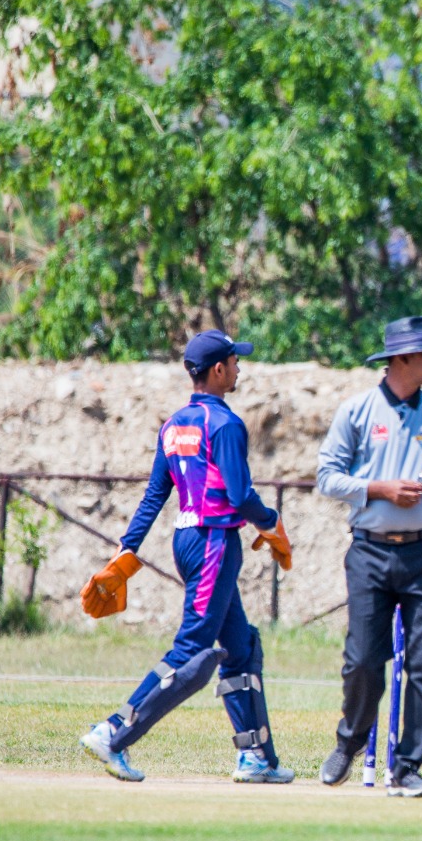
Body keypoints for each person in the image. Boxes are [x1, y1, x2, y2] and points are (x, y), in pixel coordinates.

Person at [78, 330, 294, 784]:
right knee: (193, 649)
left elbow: (155, 495)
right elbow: (240, 495)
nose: (239, 368)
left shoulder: (174, 425)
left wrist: (127, 548)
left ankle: (256, 757)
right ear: (218, 370)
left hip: (188, 540)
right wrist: (271, 522)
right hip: (215, 542)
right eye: (235, 361)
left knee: (241, 646)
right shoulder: (226, 423)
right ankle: (113, 732)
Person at [315, 316, 422, 797]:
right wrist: (379, 489)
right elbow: (327, 476)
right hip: (369, 551)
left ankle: (407, 766)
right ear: (401, 359)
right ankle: (350, 741)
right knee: (363, 659)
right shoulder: (357, 411)